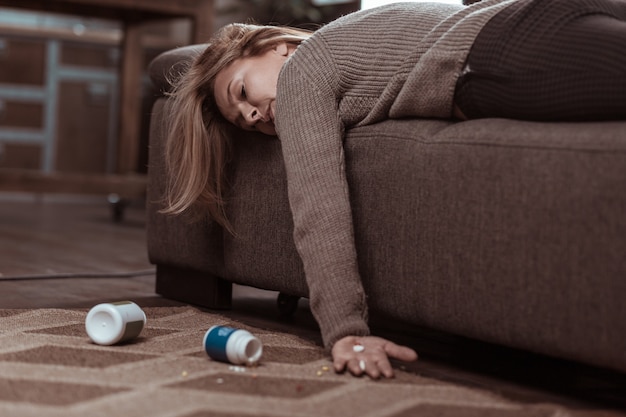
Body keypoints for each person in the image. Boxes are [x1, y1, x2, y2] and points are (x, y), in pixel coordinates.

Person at [163, 0, 626, 379]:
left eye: (242, 92)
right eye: (242, 122)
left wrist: (345, 330)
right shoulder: (346, 46)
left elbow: (317, 207)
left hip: (507, 52)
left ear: (278, 47)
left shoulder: (302, 73)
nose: (252, 117)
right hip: (540, 20)